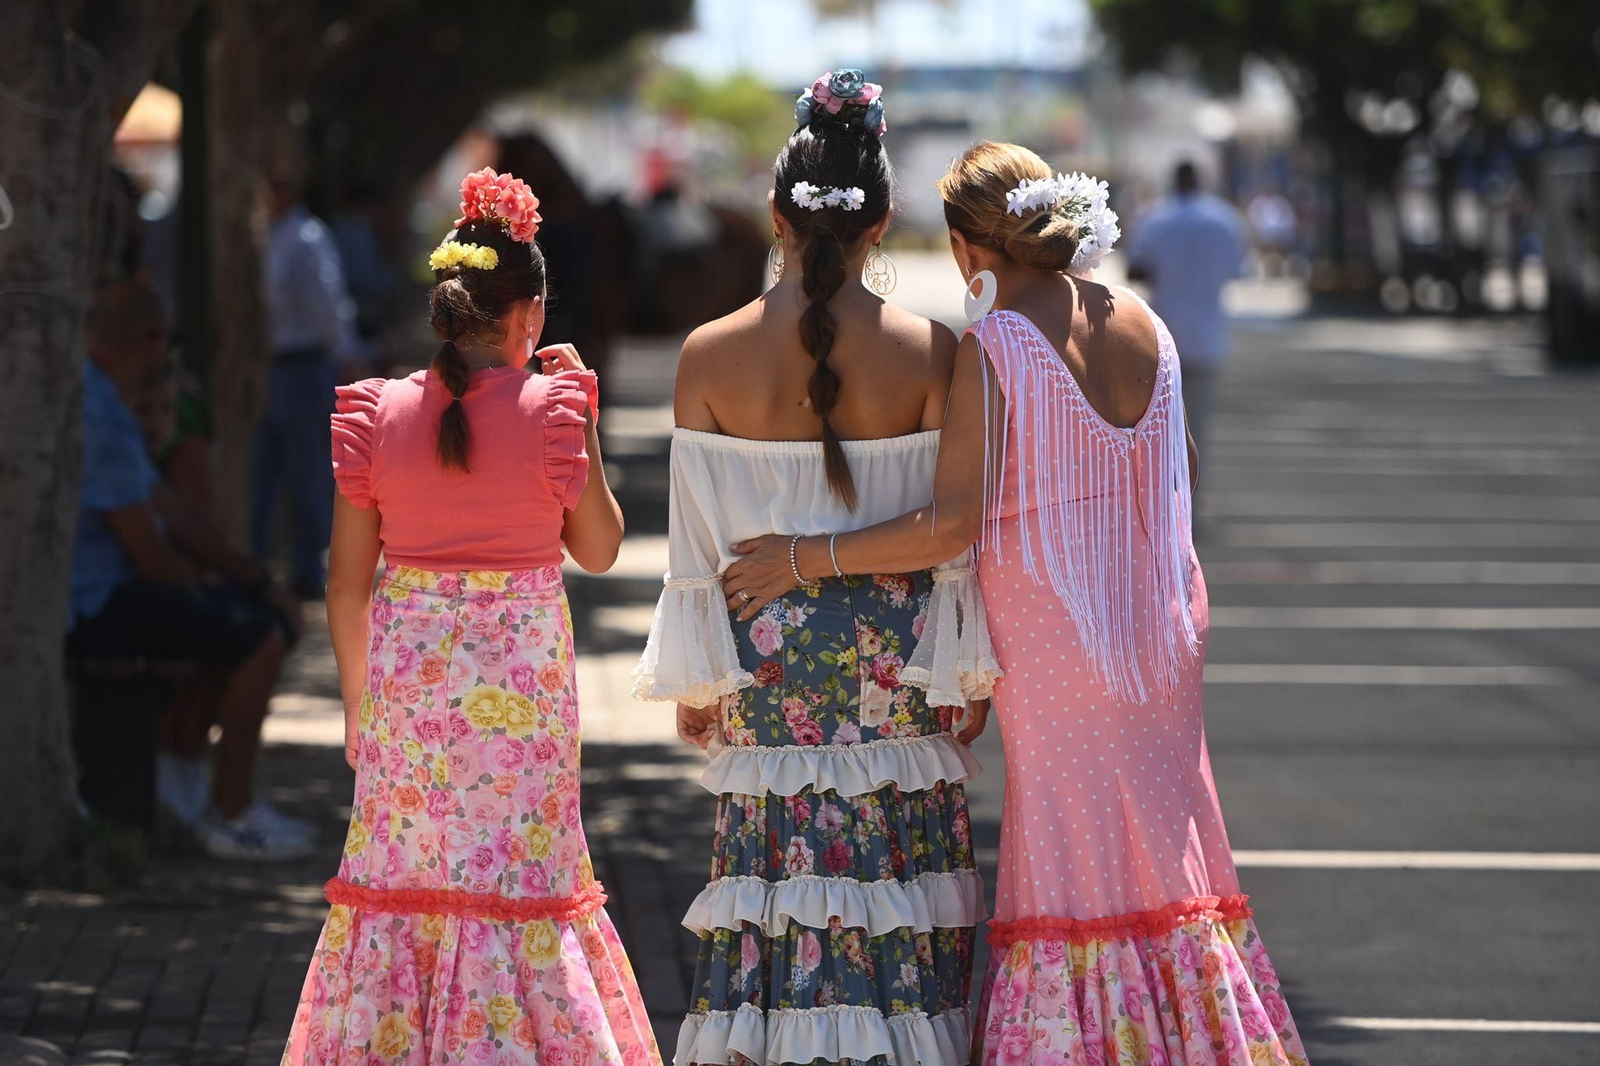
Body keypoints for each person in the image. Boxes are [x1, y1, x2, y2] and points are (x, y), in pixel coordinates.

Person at [724, 142, 1308, 1066]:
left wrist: (805, 558)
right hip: (1159, 622)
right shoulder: (1145, 324)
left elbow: (950, 524)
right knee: (1167, 847)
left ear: (966, 248)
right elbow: (1181, 471)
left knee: (1074, 864)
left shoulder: (995, 346)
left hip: (1060, 634)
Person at [633, 71, 997, 1066]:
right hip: (899, 671)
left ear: (773, 216)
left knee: (779, 901)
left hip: (764, 664)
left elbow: (695, 547)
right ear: (882, 221)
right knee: (896, 901)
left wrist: (697, 679)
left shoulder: (705, 355)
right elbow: (952, 541)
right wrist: (965, 665)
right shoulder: (936, 352)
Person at [281, 168, 659, 1065]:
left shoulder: (376, 414)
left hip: (408, 692)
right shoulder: (554, 412)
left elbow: (344, 585)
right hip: (520, 694)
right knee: (519, 882)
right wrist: (587, 426)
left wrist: (356, 706)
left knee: (405, 884)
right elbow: (601, 550)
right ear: (529, 314)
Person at [68, 277, 310, 859]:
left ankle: (181, 790)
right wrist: (216, 596)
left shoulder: (100, 395)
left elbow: (170, 513)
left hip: (115, 591)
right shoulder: (95, 407)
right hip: (92, 602)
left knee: (242, 617)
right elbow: (147, 548)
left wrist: (247, 580)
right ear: (155, 342)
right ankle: (232, 813)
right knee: (255, 641)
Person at [254, 162, 364, 598]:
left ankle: (306, 569)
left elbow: (328, 305)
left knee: (307, 469)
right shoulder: (272, 235)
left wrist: (346, 356)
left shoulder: (306, 237)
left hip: (304, 365)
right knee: (268, 469)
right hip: (275, 365)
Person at [1125, 160, 1247, 461]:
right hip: (1208, 334)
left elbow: (1135, 269)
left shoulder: (1154, 218)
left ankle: (1166, 494)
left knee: (1161, 423)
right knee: (1199, 424)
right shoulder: (1224, 219)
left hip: (1163, 335)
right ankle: (1192, 495)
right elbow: (1238, 270)